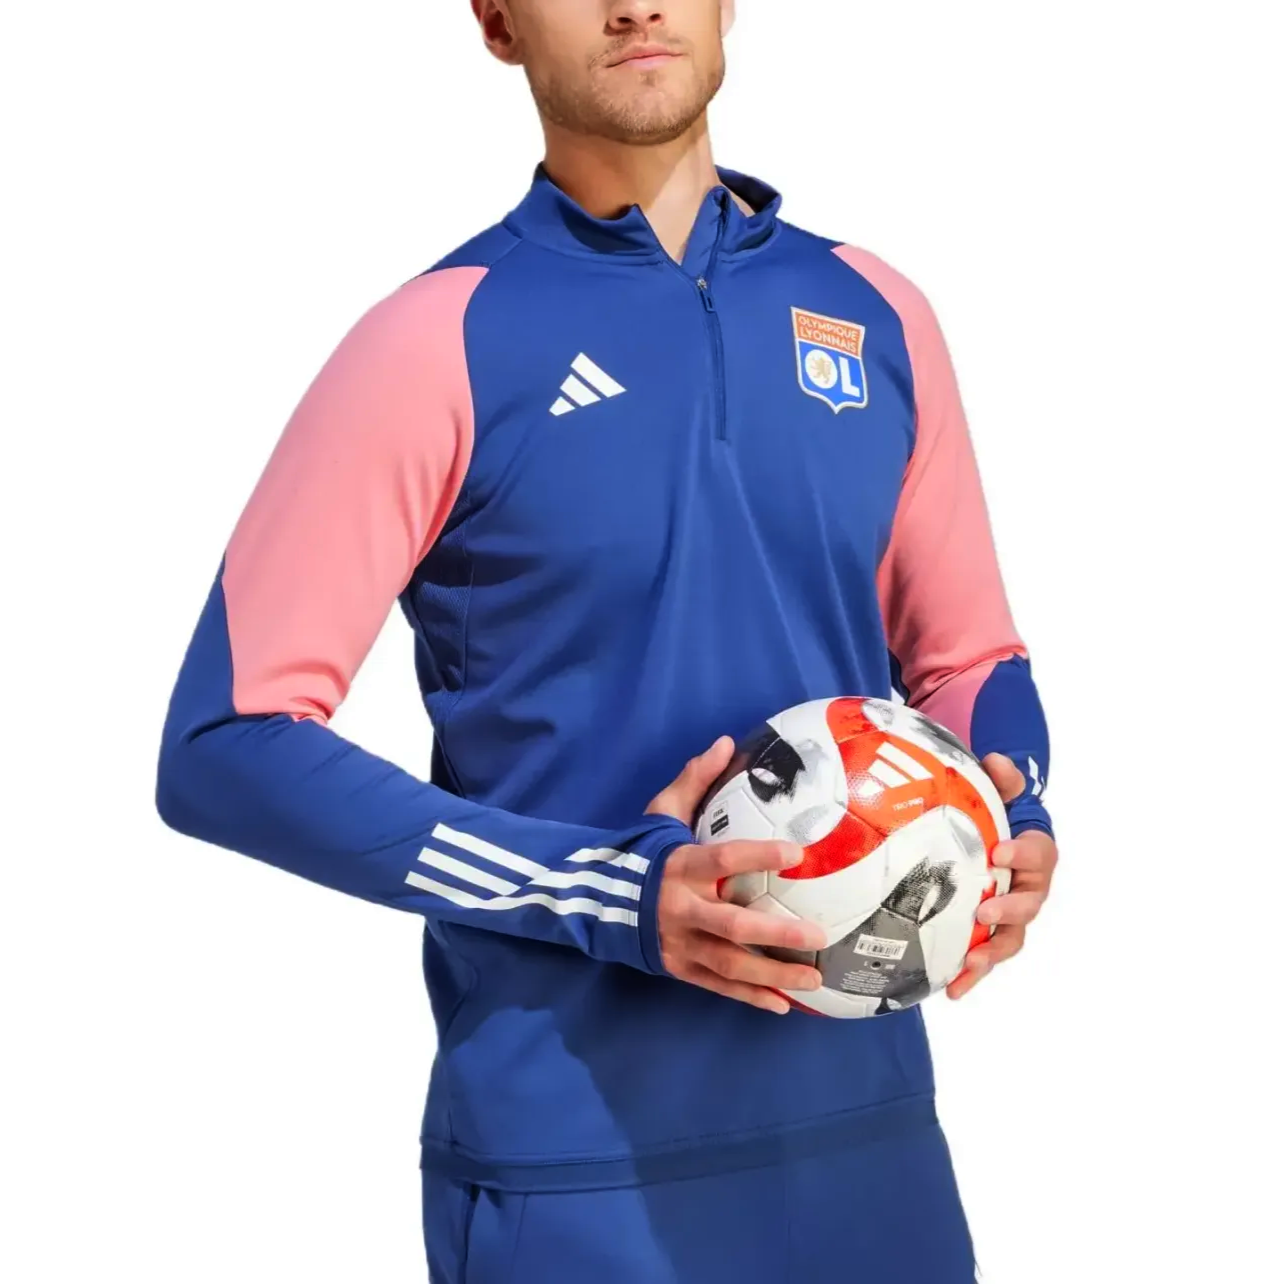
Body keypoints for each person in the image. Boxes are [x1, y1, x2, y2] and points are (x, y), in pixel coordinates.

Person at [156, 1, 1059, 1279]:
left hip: (876, 1149)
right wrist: (607, 893)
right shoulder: (439, 339)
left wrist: (1014, 810)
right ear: (497, 20)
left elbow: (968, 659)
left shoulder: (877, 312)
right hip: (575, 1172)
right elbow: (226, 744)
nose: (634, 2)